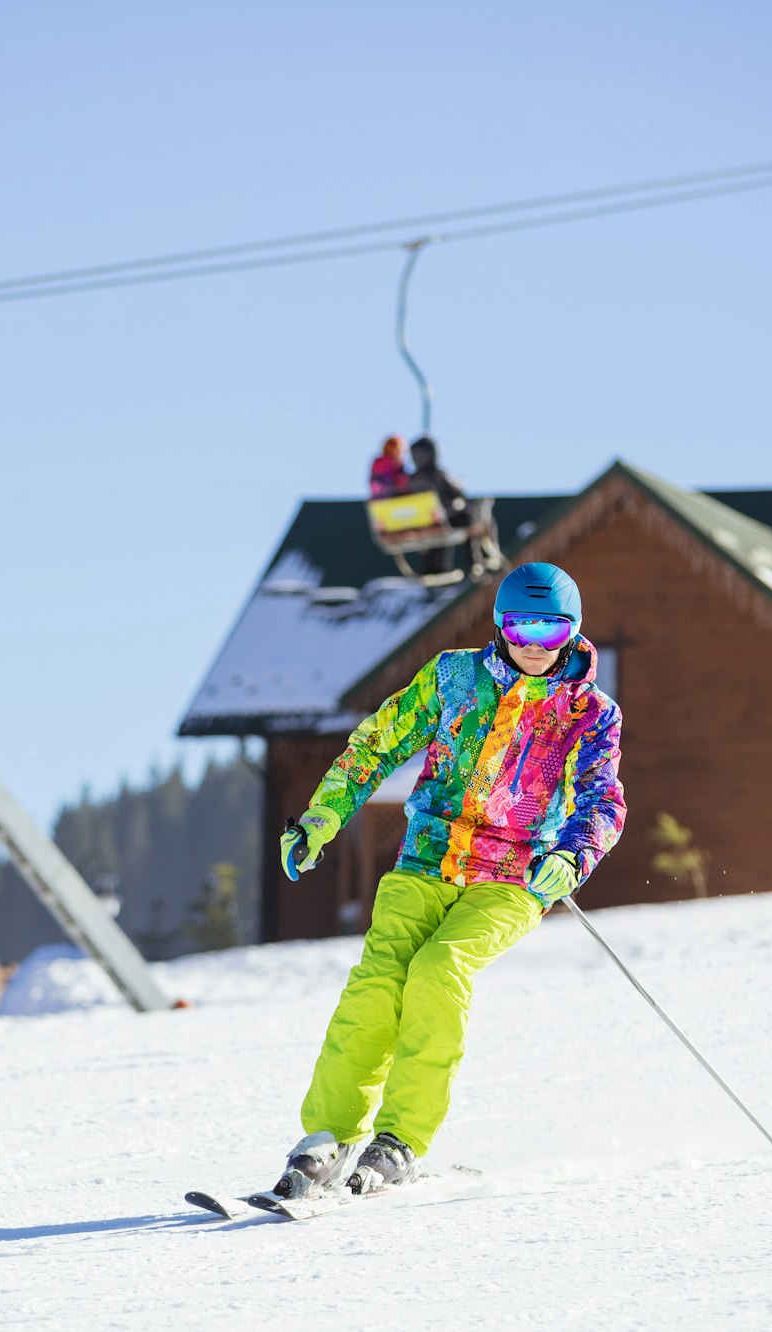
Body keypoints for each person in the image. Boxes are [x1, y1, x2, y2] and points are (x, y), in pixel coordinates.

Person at [270, 561, 626, 1200]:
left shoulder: (589, 713)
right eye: (520, 626)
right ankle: (327, 1137)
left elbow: (604, 799)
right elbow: (376, 744)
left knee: (439, 972)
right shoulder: (453, 677)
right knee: (376, 986)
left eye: (551, 630)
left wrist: (573, 855)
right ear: (499, 624)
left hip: (515, 877)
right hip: (426, 861)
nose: (533, 645)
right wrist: (323, 816)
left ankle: (400, 1140)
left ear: (572, 632)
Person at [406, 436, 472, 573]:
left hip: (431, 521)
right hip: (430, 521)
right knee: (464, 518)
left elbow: (457, 497)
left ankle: (437, 569)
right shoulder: (435, 476)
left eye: (419, 455)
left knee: (444, 529)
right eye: (414, 455)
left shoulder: (414, 478)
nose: (416, 459)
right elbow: (458, 498)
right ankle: (473, 562)